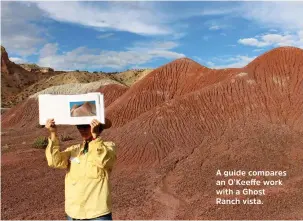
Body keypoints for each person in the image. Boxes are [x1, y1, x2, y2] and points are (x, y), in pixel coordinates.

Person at [45, 117, 116, 220]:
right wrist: (53, 133)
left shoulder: (108, 147)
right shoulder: (74, 150)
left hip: (97, 214)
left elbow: (102, 160)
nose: (82, 129)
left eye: (86, 126)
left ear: (98, 127)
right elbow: (54, 161)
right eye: (79, 126)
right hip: (73, 213)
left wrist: (95, 138)